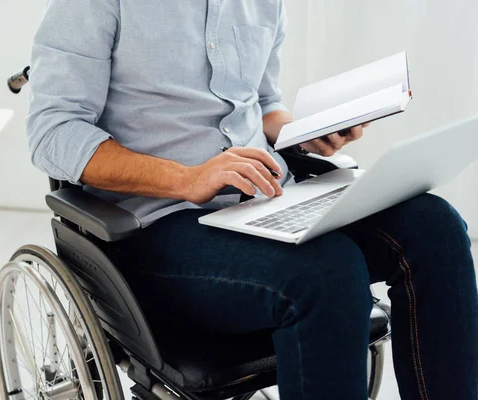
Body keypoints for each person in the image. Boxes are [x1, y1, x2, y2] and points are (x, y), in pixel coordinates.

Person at [27, 0, 478, 398]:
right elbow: (53, 133)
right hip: (155, 224)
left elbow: (261, 102)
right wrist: (186, 178)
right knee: (325, 271)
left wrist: (306, 132)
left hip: (264, 199)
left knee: (434, 227)